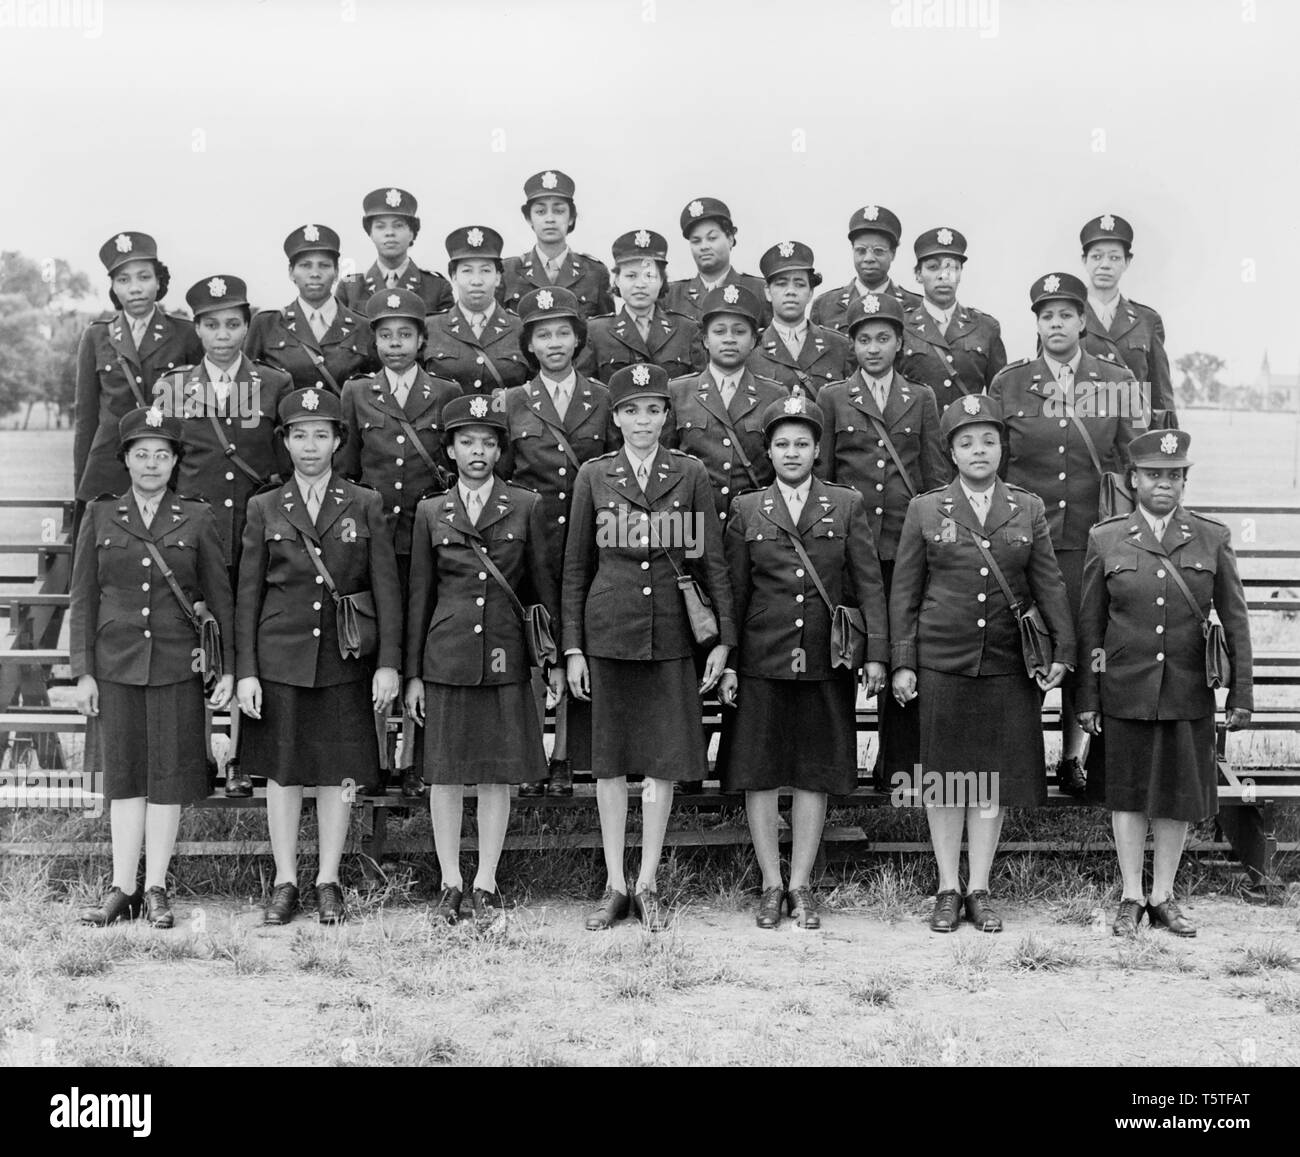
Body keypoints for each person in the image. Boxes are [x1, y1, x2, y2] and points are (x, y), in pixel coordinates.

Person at [890, 395, 1074, 933]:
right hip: (942, 660)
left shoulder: (1027, 508)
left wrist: (1062, 651)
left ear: (1002, 447)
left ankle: (980, 887)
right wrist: (903, 661)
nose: (978, 450)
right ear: (951, 451)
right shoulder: (926, 509)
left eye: (988, 440)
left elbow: (1049, 583)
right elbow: (905, 590)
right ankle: (947, 886)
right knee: (946, 781)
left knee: (987, 783)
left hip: (1005, 663)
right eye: (966, 442)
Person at [562, 364, 735, 931]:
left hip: (669, 635)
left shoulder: (689, 475)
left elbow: (711, 561)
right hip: (608, 632)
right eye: (631, 410)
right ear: (615, 418)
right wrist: (573, 649)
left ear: (668, 415)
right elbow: (576, 568)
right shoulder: (594, 475)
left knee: (661, 765)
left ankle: (649, 882)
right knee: (608, 765)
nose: (643, 420)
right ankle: (614, 883)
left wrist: (722, 640)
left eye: (654, 409)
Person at [717, 395, 889, 929]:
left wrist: (877, 655)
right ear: (767, 450)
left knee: (814, 774)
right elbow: (735, 594)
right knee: (760, 774)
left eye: (802, 444)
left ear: (818, 450)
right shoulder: (748, 510)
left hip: (824, 660)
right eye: (782, 444)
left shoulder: (846, 504)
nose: (792, 453)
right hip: (761, 660)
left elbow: (867, 585)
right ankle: (771, 884)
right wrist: (727, 662)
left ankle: (801, 884)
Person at [235, 388, 403, 926]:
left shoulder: (364, 502)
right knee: (283, 776)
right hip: (280, 657)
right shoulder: (264, 506)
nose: (310, 446)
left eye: (321, 435)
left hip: (343, 661)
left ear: (337, 442)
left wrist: (388, 663)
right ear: (285, 442)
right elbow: (249, 595)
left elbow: (385, 588)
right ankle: (286, 880)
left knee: (339, 775)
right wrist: (246, 672)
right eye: (299, 435)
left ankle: (328, 877)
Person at [1077, 429, 1252, 937]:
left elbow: (1236, 622)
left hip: (1186, 690)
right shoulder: (1106, 537)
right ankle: (1131, 894)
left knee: (1176, 797)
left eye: (1175, 476)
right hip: (1125, 689)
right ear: (1133, 480)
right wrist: (1088, 696)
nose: (1165, 485)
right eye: (1154, 475)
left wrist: (1241, 695)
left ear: (1184, 482)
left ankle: (1163, 896)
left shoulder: (1210, 537)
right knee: (1128, 795)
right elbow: (1091, 625)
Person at [71, 408, 235, 927]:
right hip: (115, 664)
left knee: (167, 779)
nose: (151, 463)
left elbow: (220, 599)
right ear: (124, 460)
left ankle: (158, 886)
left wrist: (225, 668)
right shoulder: (99, 516)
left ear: (175, 462)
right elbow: (83, 598)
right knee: (124, 779)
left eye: (161, 454)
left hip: (174, 664)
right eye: (140, 453)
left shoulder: (197, 516)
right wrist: (82, 672)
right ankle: (122, 888)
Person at [405, 396, 562, 924]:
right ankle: (450, 880)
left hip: (505, 655)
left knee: (497, 775)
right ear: (449, 450)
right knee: (445, 775)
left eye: (488, 443)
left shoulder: (524, 505)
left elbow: (541, 588)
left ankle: (486, 880)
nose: (478, 452)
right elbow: (419, 598)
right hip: (445, 656)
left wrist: (553, 662)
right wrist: (413, 675)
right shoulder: (431, 511)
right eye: (467, 442)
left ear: (500, 451)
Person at [988, 272, 1139, 796]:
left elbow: (1132, 458)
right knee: (1025, 641)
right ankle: (1020, 755)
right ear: (1037, 323)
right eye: (1046, 315)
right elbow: (993, 461)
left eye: (1066, 315)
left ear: (1081, 321)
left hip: (1089, 540)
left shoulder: (1115, 381)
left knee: (1083, 642)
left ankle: (1073, 758)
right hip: (1023, 539)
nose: (1056, 324)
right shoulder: (1010, 383)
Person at [155, 274, 293, 798]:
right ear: (197, 328)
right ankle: (195, 755)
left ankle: (241, 757)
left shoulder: (274, 384)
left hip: (254, 531)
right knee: (198, 637)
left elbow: (282, 463)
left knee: (248, 638)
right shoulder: (172, 386)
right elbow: (164, 462)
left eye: (233, 324)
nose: (222, 335)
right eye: (211, 325)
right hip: (195, 533)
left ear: (247, 325)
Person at [817, 292, 948, 791]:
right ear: (852, 345)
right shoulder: (832, 398)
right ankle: (837, 765)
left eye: (883, 338)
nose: (874, 348)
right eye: (864, 339)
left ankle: (897, 767)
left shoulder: (921, 399)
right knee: (843, 651)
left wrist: (936, 542)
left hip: (900, 550)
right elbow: (824, 476)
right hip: (848, 550)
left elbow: (934, 476)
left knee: (899, 649)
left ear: (899, 342)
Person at [339, 288, 462, 798]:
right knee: (373, 640)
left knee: (417, 640)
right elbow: (346, 468)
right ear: (374, 340)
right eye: (386, 335)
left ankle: (414, 757)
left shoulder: (444, 390)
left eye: (405, 335)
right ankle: (370, 755)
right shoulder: (357, 393)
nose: (395, 344)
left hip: (423, 535)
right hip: (372, 537)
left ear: (421, 339)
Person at [499, 286, 618, 798]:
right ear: (529, 345)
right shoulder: (511, 403)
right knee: (530, 640)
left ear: (578, 339)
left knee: (577, 638)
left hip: (589, 541)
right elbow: (502, 476)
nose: (554, 343)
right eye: (542, 334)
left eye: (562, 333)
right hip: (530, 542)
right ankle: (530, 754)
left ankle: (568, 754)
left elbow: (613, 471)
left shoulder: (604, 398)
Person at [74, 232, 203, 521]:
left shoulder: (185, 334)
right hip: (107, 474)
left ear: (159, 281)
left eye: (144, 277)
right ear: (113, 288)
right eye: (123, 280)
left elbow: (199, 416)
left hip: (170, 472)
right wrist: (81, 489)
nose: (135, 288)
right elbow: (86, 422)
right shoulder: (96, 337)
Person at [664, 284, 787, 525]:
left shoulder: (774, 395)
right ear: (706, 340)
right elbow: (665, 465)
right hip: (693, 523)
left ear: (753, 340)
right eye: (720, 331)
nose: (729, 339)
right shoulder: (677, 392)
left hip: (754, 524)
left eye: (739, 331)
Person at [244, 224, 373, 394]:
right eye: (305, 265)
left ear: (336, 272)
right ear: (291, 272)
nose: (315, 273)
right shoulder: (266, 324)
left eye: (324, 265)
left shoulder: (363, 327)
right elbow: (248, 387)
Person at [1078, 213, 1176, 429]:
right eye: (1096, 257)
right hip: (1081, 443)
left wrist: (1168, 448)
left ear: (1127, 262)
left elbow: (1161, 395)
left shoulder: (1147, 321)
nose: (1105, 265)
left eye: (1114, 258)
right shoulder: (1064, 317)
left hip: (1133, 439)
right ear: (1084, 260)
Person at [897, 227, 1007, 415]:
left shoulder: (985, 328)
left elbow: (999, 397)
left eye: (952, 267)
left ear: (960, 274)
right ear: (918, 275)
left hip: (968, 439)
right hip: (916, 441)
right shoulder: (901, 326)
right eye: (933, 267)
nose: (944, 275)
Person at [582, 229, 702, 384]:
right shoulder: (596, 331)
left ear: (661, 281)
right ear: (617, 280)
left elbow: (699, 389)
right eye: (631, 276)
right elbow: (585, 389)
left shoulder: (686, 329)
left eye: (649, 276)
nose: (640, 284)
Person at [424, 226, 530, 397]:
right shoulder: (430, 327)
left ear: (497, 277)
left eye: (485, 271)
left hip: (504, 422)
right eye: (467, 271)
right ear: (454, 277)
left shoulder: (521, 329)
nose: (476, 281)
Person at [747, 240, 854, 400]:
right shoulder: (751, 349)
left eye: (799, 284)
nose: (791, 291)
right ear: (768, 292)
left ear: (810, 292)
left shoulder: (839, 346)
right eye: (781, 284)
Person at [500, 169, 613, 319]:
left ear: (572, 217)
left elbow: (604, 332)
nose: (550, 219)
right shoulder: (508, 271)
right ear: (528, 218)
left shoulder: (595, 273)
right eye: (540, 211)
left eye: (559, 211)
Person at [336, 186, 454, 315]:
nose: (390, 233)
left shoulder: (437, 287)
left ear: (412, 233)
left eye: (398, 225)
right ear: (371, 234)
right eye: (380, 226)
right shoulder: (349, 287)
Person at [810, 205, 921, 333]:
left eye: (878, 251)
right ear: (852, 250)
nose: (869, 258)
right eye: (861, 251)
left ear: (893, 253)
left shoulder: (916, 306)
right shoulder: (824, 305)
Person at [664, 196, 770, 328]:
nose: (704, 246)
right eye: (696, 241)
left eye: (712, 238)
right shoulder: (671, 295)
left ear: (730, 239)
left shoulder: (759, 290)